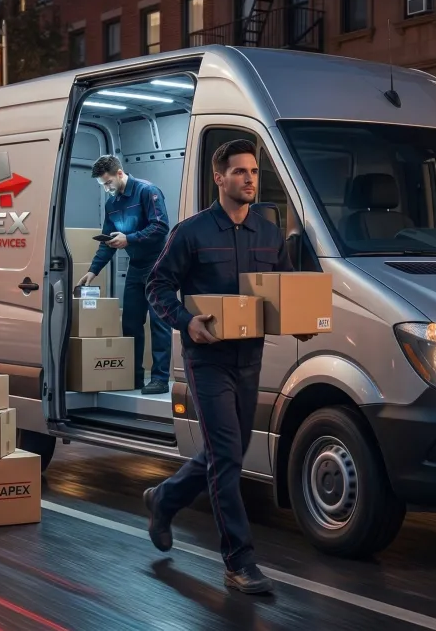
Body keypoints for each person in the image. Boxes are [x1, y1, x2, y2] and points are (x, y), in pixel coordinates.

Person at [142, 139, 315, 595]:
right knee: (226, 457)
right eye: (240, 171)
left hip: (249, 358)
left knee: (228, 455)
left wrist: (298, 322)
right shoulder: (191, 232)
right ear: (219, 178)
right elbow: (156, 285)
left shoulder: (269, 234)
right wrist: (185, 321)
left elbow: (280, 293)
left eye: (254, 171)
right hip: (208, 360)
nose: (250, 179)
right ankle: (239, 561)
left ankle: (164, 498)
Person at [77, 155, 172, 394]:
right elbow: (108, 240)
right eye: (102, 185)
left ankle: (160, 379)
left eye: (108, 182)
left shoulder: (147, 191)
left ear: (120, 173)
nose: (106, 188)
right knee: (130, 323)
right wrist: (93, 270)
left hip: (158, 266)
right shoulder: (112, 204)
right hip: (136, 267)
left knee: (159, 323)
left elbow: (161, 226)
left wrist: (129, 238)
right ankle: (134, 376)